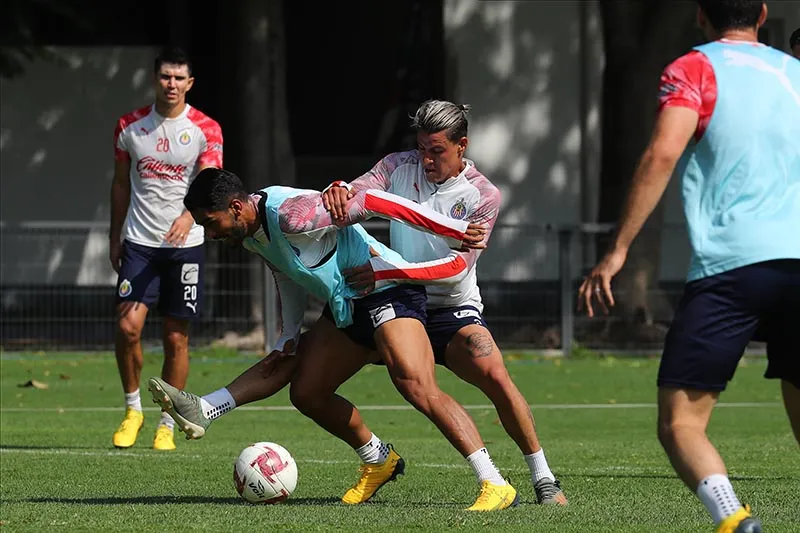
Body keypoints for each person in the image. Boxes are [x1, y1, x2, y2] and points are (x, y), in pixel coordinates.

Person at [149, 167, 521, 510]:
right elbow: (284, 275)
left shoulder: (293, 214)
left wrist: (452, 230)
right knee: (306, 390)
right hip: (349, 305)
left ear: (234, 206)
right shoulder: (250, 235)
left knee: (416, 384)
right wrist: (288, 336)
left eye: (210, 224)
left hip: (387, 289)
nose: (210, 235)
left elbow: (374, 201)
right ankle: (377, 460)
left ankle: (494, 483)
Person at [577, 1, 799, 532]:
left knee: (681, 422)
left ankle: (734, 520)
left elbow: (661, 154)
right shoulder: (794, 73)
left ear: (700, 15)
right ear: (764, 14)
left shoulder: (694, 67)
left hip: (733, 266)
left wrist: (618, 250)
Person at [320, 99, 567, 506]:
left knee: (496, 376)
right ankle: (376, 457)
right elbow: (358, 193)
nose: (427, 159)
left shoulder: (483, 195)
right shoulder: (398, 165)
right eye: (422, 148)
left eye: (437, 150)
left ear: (462, 145)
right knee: (310, 384)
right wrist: (340, 191)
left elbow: (455, 268)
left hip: (450, 309)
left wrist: (388, 272)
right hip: (396, 302)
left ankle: (543, 478)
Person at [109, 46, 223, 451]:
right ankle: (132, 408)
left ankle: (167, 423)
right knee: (127, 328)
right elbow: (121, 183)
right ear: (155, 79)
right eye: (165, 77)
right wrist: (114, 235)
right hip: (139, 243)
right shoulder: (130, 126)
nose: (171, 84)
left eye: (179, 78)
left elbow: (210, 184)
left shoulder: (206, 129)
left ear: (190, 83)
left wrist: (190, 216)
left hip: (185, 247)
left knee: (176, 338)